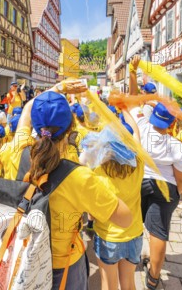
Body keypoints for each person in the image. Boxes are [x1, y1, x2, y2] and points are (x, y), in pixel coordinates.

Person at [15, 85, 132, 289]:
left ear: (34, 126)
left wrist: (56, 89)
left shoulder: (16, 152)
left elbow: (26, 112)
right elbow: (126, 218)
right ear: (71, 128)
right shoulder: (80, 176)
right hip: (64, 264)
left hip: (24, 253)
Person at [127, 57, 182, 290]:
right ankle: (153, 277)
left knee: (135, 226)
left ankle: (131, 261)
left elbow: (132, 99)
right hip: (165, 187)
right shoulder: (177, 146)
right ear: (171, 124)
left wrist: (133, 71)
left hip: (139, 182)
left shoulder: (141, 127)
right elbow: (181, 178)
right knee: (158, 232)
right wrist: (177, 193)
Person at [92, 110, 144, 290]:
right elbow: (136, 134)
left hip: (108, 235)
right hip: (134, 233)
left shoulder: (98, 172)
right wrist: (125, 110)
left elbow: (92, 212)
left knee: (109, 284)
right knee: (129, 284)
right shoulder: (139, 164)